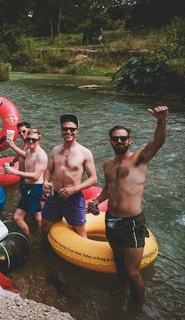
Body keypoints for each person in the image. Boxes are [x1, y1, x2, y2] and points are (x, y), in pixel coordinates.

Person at [90, 106, 168, 311]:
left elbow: (158, 142)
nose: (119, 141)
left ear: (129, 140)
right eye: (115, 138)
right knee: (118, 262)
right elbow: (108, 188)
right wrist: (97, 201)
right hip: (112, 220)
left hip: (132, 222)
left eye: (123, 138)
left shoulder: (139, 159)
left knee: (133, 272)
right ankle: (119, 294)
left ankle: (135, 310)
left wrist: (161, 121)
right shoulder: (107, 164)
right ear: (110, 141)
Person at [41, 113, 97, 239]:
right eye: (65, 129)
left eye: (72, 129)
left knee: (80, 232)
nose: (68, 132)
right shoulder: (55, 150)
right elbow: (49, 170)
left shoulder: (85, 153)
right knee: (44, 226)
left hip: (74, 197)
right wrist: (45, 182)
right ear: (61, 130)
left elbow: (93, 179)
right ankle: (44, 252)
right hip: (53, 194)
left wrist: (74, 189)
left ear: (77, 131)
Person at [5, 127, 48, 236]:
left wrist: (13, 172)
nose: (30, 141)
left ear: (39, 140)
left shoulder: (41, 155)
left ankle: (28, 239)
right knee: (38, 216)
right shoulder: (30, 151)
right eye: (29, 139)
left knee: (17, 217)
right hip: (29, 187)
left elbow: (35, 176)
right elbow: (25, 156)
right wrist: (13, 146)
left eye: (34, 140)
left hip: (35, 189)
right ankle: (41, 234)